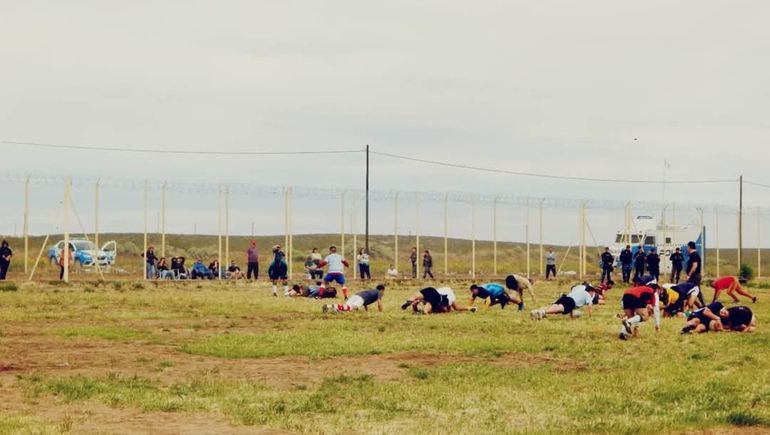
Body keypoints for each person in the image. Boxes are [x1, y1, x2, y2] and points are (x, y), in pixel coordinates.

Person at [530, 282, 596, 320]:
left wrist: (572, 317)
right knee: (557, 309)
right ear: (590, 291)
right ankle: (543, 312)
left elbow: (571, 307)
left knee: (552, 309)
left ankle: (537, 311)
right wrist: (591, 317)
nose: (593, 294)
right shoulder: (588, 295)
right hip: (570, 301)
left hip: (565, 297)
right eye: (593, 292)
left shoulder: (578, 292)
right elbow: (589, 306)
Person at [401, 287, 476, 314]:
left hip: (432, 291)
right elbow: (457, 307)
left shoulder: (447, 298)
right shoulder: (448, 300)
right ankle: (411, 302)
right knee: (425, 311)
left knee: (415, 296)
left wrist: (414, 306)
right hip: (435, 296)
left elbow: (455, 308)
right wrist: (468, 308)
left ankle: (410, 300)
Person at [684, 241, 705, 307]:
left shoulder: (694, 255)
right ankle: (697, 306)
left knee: (696, 291)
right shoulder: (694, 255)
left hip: (694, 276)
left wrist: (689, 275)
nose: (687, 249)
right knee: (691, 291)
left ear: (689, 247)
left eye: (688, 247)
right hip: (694, 276)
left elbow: (695, 265)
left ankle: (703, 306)